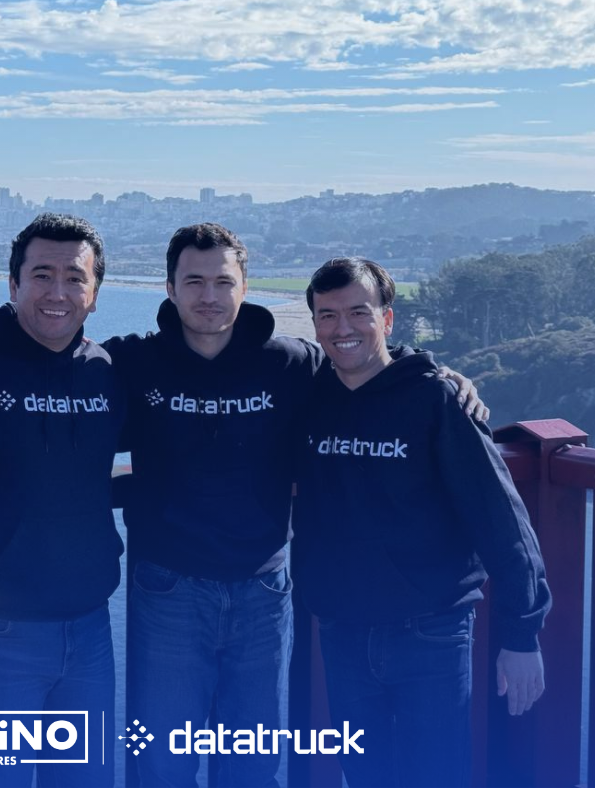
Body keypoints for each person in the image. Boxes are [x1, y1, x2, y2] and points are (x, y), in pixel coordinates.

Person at [105, 224, 485, 788]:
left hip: (263, 592)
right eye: (194, 282)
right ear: (170, 288)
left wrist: (435, 374)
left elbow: (362, 360)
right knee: (163, 762)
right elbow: (61, 371)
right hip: (169, 590)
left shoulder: (289, 363)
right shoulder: (132, 362)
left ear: (244, 286)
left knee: (253, 762)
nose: (209, 296)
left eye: (223, 282)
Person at [294, 256, 551, 788]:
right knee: (363, 775)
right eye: (327, 316)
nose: (342, 328)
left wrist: (522, 635)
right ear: (314, 324)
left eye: (359, 312)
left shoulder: (437, 399)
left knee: (435, 776)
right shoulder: (310, 397)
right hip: (342, 633)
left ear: (387, 319)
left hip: (430, 634)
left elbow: (502, 520)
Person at [0, 213, 122, 788]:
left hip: (88, 630)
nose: (57, 292)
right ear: (12, 284)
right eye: (41, 275)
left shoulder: (106, 371)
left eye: (75, 278)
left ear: (95, 294)